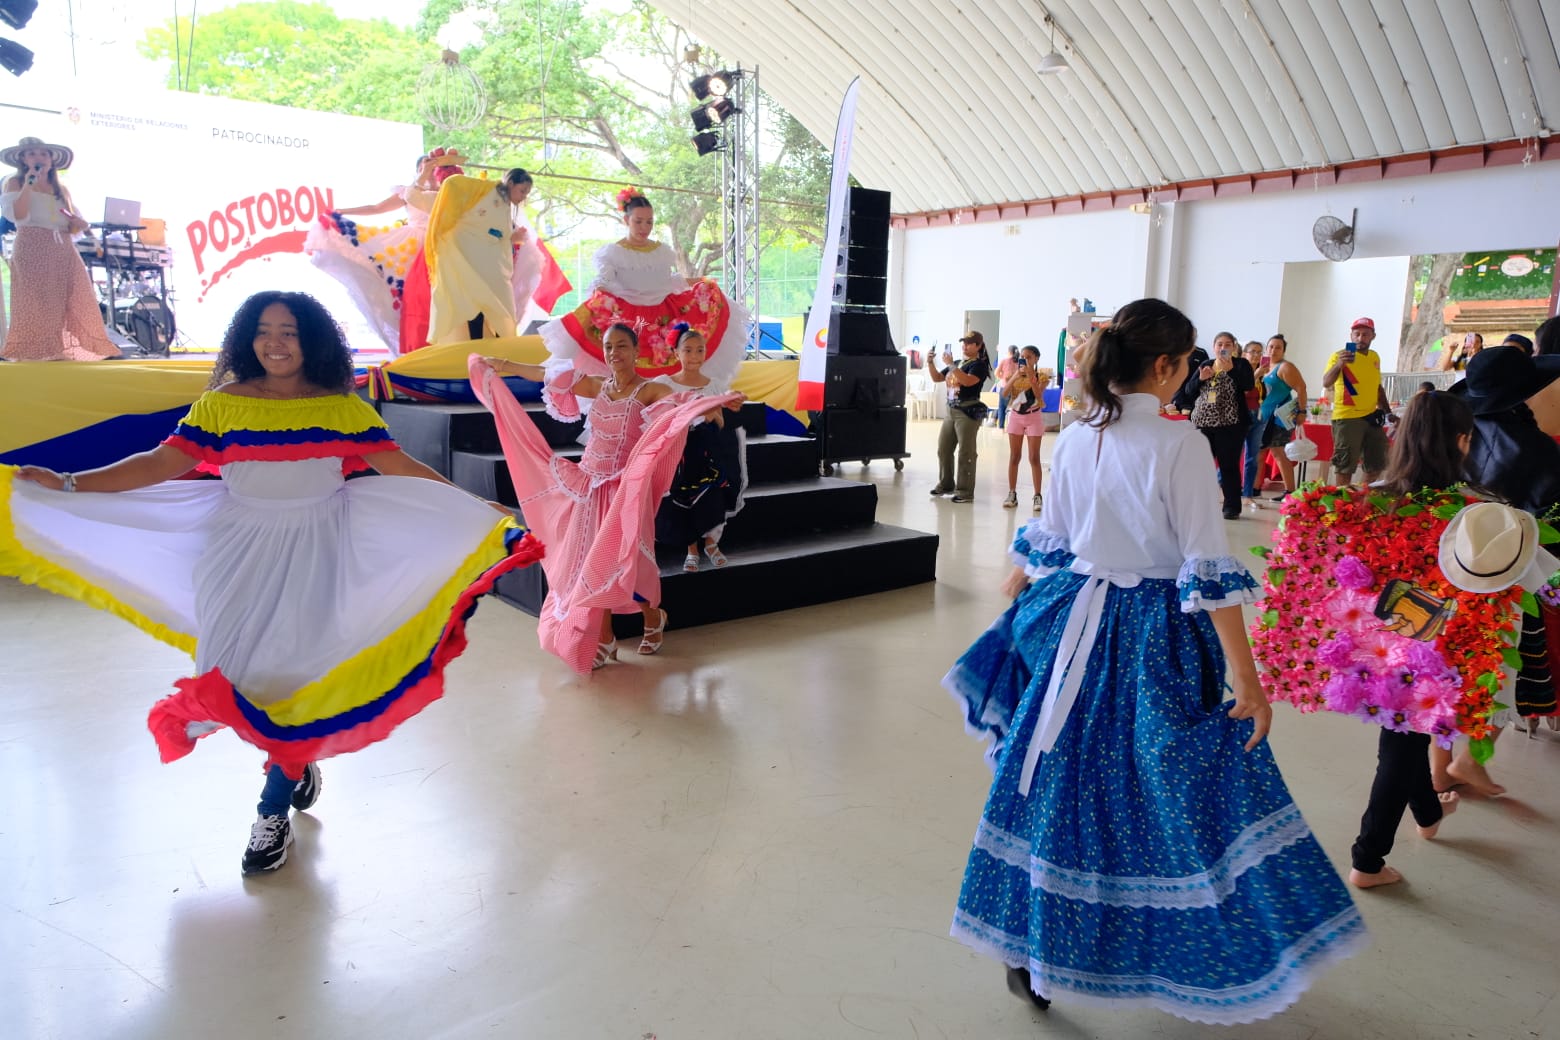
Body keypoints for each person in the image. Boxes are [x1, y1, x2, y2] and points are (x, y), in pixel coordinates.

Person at [1, 291, 542, 874]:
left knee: (292, 675)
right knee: (237, 677)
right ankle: (296, 751)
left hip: (317, 552)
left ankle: (272, 809)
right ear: (246, 339)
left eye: (289, 330)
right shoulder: (222, 405)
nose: (275, 342)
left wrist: (474, 506)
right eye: (264, 331)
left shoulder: (341, 408)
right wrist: (71, 483)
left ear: (312, 340)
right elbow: (160, 464)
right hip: (233, 557)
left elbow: (402, 468)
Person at [943, 297, 1363, 1023]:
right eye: (1188, 365)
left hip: (1077, 624)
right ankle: (1185, 949)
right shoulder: (1180, 445)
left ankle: (1037, 944)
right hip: (1152, 640)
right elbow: (1205, 567)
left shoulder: (1076, 435)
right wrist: (1249, 681)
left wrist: (1022, 582)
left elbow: (1056, 536)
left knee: (1061, 785)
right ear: (1167, 366)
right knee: (1177, 796)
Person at [473, 324, 738, 674]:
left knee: (628, 562)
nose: (615, 353)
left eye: (622, 346)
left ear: (636, 350)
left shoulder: (649, 389)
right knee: (591, 563)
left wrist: (713, 404)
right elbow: (545, 374)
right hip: (588, 485)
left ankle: (653, 615)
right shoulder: (596, 385)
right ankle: (606, 638)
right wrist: (500, 364)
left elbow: (682, 404)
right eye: (609, 347)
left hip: (625, 490)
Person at [1344, 391, 1474, 888]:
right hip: (1439, 646)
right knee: (1400, 742)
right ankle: (1368, 860)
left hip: (1381, 640)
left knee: (1405, 731)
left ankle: (1427, 812)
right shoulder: (1471, 510)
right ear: (1461, 441)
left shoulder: (1374, 498)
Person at [1452, 345, 1560, 742]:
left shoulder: (1455, 439)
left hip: (1460, 560)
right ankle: (1476, 754)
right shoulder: (1541, 448)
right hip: (1519, 564)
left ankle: (1452, 757)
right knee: (1509, 652)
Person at [540, 188, 747, 386]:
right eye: (638, 221)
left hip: (664, 313)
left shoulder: (661, 251)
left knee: (670, 366)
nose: (644, 227)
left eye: (649, 222)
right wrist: (598, 294)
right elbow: (604, 280)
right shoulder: (613, 253)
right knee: (626, 366)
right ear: (626, 220)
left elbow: (666, 282)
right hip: (629, 317)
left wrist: (698, 282)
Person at [303, 150, 447, 352]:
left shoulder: (448, 191)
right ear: (417, 170)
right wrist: (343, 212)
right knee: (409, 296)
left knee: (438, 297)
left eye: (432, 165)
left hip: (441, 245)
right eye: (424, 165)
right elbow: (376, 208)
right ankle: (416, 345)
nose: (429, 169)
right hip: (413, 245)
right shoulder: (408, 192)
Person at [0, 135, 119, 361]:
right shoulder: (14, 183)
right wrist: (30, 182)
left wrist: (78, 225)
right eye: (33, 153)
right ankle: (35, 353)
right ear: (23, 159)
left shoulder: (61, 189)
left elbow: (70, 224)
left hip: (62, 248)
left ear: (52, 160)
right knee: (37, 301)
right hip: (31, 245)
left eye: (44, 154)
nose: (39, 158)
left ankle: (67, 349)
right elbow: (18, 214)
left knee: (74, 294)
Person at [653, 323, 749, 571]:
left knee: (712, 498)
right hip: (680, 454)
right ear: (676, 353)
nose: (694, 356)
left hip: (709, 452)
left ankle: (711, 543)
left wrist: (721, 407)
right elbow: (661, 417)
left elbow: (721, 418)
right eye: (688, 350)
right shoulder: (665, 384)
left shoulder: (714, 384)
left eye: (699, 350)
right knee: (684, 500)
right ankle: (691, 549)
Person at [425, 168, 534, 345]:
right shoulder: (491, 194)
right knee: (479, 302)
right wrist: (507, 236)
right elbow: (476, 222)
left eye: (526, 193)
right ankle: (481, 345)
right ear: (511, 183)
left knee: (496, 304)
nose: (523, 197)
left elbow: (495, 231)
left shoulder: (504, 202)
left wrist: (509, 237)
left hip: (489, 262)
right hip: (476, 261)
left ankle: (500, 345)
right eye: (522, 191)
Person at [1181, 331, 1255, 519]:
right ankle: (1197, 503)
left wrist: (1231, 371)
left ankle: (1231, 506)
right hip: (1203, 423)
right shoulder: (1205, 364)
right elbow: (1188, 391)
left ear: (1234, 347)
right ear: (1214, 347)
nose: (1223, 348)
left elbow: (1248, 385)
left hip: (1230, 424)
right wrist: (1201, 378)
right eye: (1219, 344)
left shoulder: (1241, 364)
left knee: (1228, 466)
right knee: (1199, 465)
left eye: (1227, 344)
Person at [1321, 317, 1394, 485]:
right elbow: (1326, 382)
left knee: (1377, 464)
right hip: (1347, 418)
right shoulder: (1339, 356)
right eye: (1357, 334)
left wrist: (1388, 413)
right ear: (1351, 336)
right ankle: (1342, 505)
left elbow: (1377, 387)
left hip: (1371, 418)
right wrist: (1340, 364)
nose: (1361, 338)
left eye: (1365, 334)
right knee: (1345, 466)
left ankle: (1362, 500)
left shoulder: (1375, 357)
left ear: (1373, 336)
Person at [929, 332, 991, 503]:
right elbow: (937, 378)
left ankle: (965, 491)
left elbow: (967, 381)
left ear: (978, 346)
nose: (965, 346)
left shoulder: (979, 365)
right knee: (944, 449)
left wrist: (950, 365)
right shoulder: (957, 363)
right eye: (964, 343)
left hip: (967, 411)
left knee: (966, 452)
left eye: (970, 343)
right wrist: (930, 362)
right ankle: (946, 483)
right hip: (951, 410)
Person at [1251, 334, 1307, 500]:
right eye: (1271, 347)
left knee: (1278, 453)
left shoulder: (1285, 367)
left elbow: (1301, 388)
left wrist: (1302, 412)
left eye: (1278, 347)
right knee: (1259, 453)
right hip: (1263, 416)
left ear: (1283, 351)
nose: (1273, 350)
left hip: (1279, 418)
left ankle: (1290, 491)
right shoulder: (1264, 366)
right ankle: (1255, 488)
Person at [1000, 345, 1046, 512]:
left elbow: (1038, 395)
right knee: (1014, 456)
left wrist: (1031, 375)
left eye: (1029, 357)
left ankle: (1038, 495)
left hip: (1034, 417)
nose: (1025, 360)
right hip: (1016, 416)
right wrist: (1015, 377)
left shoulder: (1042, 376)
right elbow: (1004, 394)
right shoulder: (1015, 375)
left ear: (1036, 359)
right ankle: (1012, 493)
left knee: (1034, 457)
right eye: (1023, 357)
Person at [994, 345, 1020, 429]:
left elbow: (996, 373)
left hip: (1005, 386)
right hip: (1016, 388)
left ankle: (1001, 426)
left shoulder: (1004, 361)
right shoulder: (1019, 362)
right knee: (1016, 408)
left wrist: (1003, 377)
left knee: (1002, 407)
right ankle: (1015, 427)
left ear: (1009, 352)